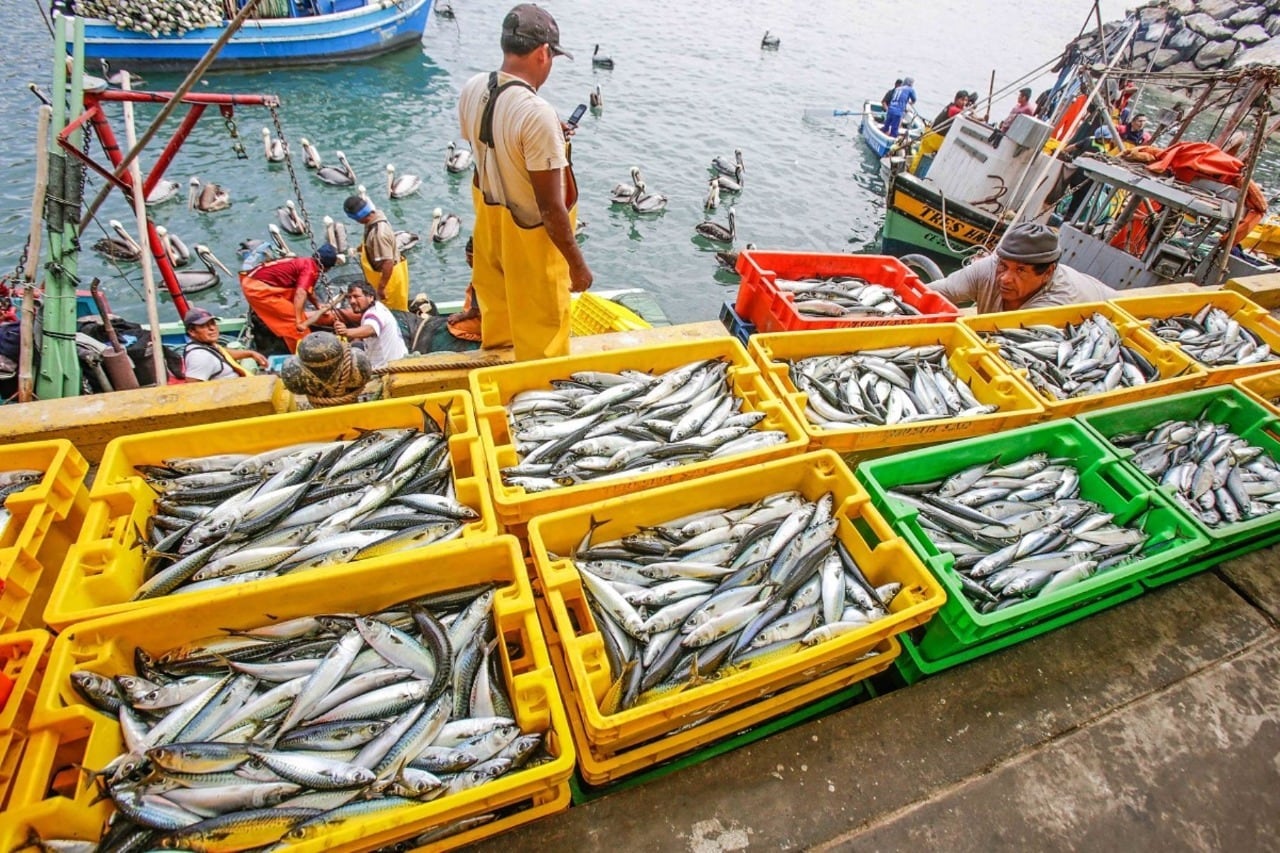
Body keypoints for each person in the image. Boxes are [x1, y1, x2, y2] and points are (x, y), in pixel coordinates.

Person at [458, 3, 593, 361]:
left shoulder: (473, 88)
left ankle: (500, 385)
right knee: (543, 345)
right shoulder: (536, 113)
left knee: (499, 335)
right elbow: (551, 207)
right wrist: (577, 266)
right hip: (531, 247)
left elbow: (487, 149)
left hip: (491, 234)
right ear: (543, 52)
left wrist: (547, 139)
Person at [928, 222, 1115, 314]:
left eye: (1020, 270)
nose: (1005, 278)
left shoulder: (1058, 303)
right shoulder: (990, 268)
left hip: (1118, 314)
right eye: (1003, 265)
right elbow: (938, 291)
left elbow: (1007, 342)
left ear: (1048, 272)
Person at [238, 243, 339, 353]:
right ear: (326, 266)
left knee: (292, 320)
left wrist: (317, 305)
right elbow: (300, 293)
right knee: (295, 325)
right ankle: (307, 354)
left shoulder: (307, 262)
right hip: (258, 289)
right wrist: (298, 320)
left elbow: (308, 289)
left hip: (253, 281)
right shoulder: (310, 270)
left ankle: (295, 347)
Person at [343, 195, 409, 313]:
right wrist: (360, 249)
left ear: (357, 218)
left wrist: (381, 288)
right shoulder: (374, 217)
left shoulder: (380, 234)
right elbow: (370, 242)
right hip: (378, 275)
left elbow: (388, 262)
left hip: (389, 280)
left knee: (393, 312)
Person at [333, 281, 408, 369]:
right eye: (349, 297)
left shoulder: (374, 314)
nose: (352, 301)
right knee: (356, 345)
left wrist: (347, 332)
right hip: (398, 359)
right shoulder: (378, 307)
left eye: (356, 296)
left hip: (386, 367)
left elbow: (370, 329)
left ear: (370, 297)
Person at [182, 307, 268, 381]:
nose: (212, 328)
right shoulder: (200, 357)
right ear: (191, 331)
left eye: (213, 323)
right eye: (204, 326)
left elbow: (222, 353)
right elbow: (193, 389)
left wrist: (250, 354)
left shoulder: (206, 345)